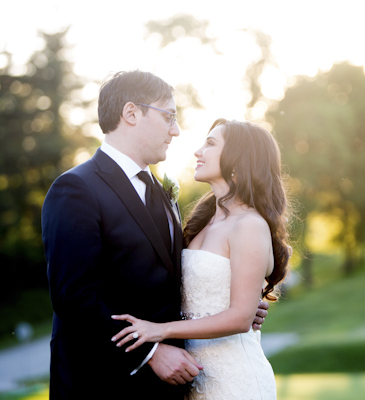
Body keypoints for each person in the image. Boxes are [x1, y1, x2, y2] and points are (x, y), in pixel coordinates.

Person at [41, 71, 268, 399]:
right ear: (131, 113)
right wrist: (149, 352)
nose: (175, 131)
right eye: (168, 117)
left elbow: (170, 277)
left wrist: (234, 304)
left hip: (170, 387)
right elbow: (74, 297)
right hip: (102, 383)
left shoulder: (163, 193)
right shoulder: (76, 189)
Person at [111, 118, 291, 399]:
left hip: (235, 379)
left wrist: (161, 331)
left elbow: (241, 318)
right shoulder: (202, 222)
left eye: (210, 144)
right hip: (194, 376)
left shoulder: (250, 225)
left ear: (237, 160)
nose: (197, 152)